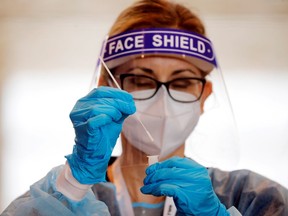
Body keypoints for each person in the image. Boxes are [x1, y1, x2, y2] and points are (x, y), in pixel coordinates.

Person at [2, 0, 288, 215]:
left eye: (182, 82)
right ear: (109, 87)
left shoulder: (252, 197)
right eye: (141, 80)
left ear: (204, 96)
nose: (163, 99)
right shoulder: (61, 196)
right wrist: (73, 185)